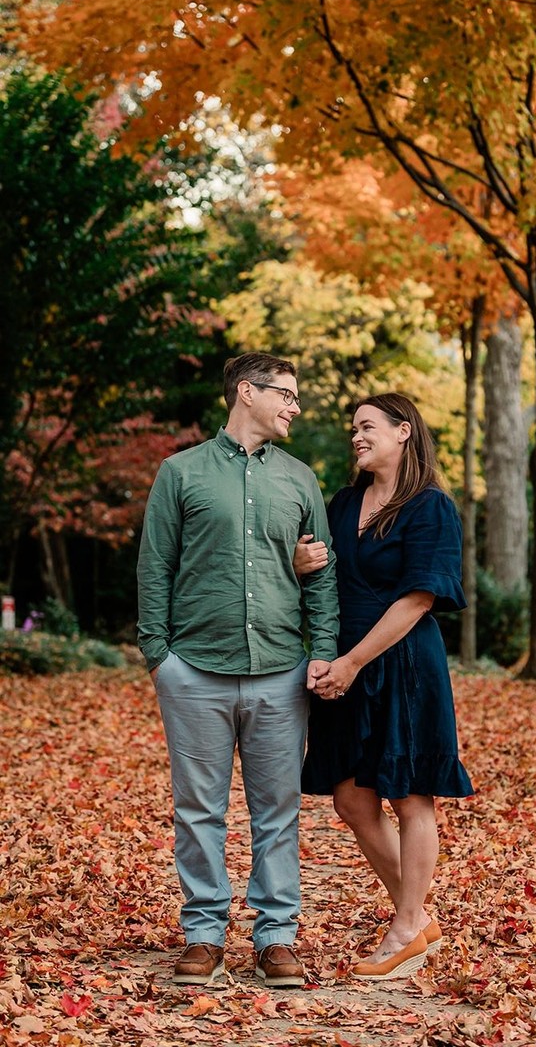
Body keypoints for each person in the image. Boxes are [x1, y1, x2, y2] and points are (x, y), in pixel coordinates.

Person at [137, 352, 339, 988]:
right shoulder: (180, 473)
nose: (295, 407)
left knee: (276, 808)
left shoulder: (301, 480)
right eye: (287, 394)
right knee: (198, 809)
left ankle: (276, 936)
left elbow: (321, 574)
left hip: (280, 670)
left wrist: (324, 648)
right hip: (194, 668)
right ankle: (203, 932)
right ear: (246, 393)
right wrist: (158, 658)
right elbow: (155, 567)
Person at [297, 393, 473, 981]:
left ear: (403, 432)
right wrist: (300, 566)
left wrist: (352, 661)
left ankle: (404, 926)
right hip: (344, 662)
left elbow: (419, 598)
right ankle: (417, 913)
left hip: (401, 664)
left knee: (410, 794)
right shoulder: (344, 503)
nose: (356, 436)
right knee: (350, 796)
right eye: (353, 428)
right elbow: (321, 573)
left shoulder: (430, 508)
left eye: (367, 427)